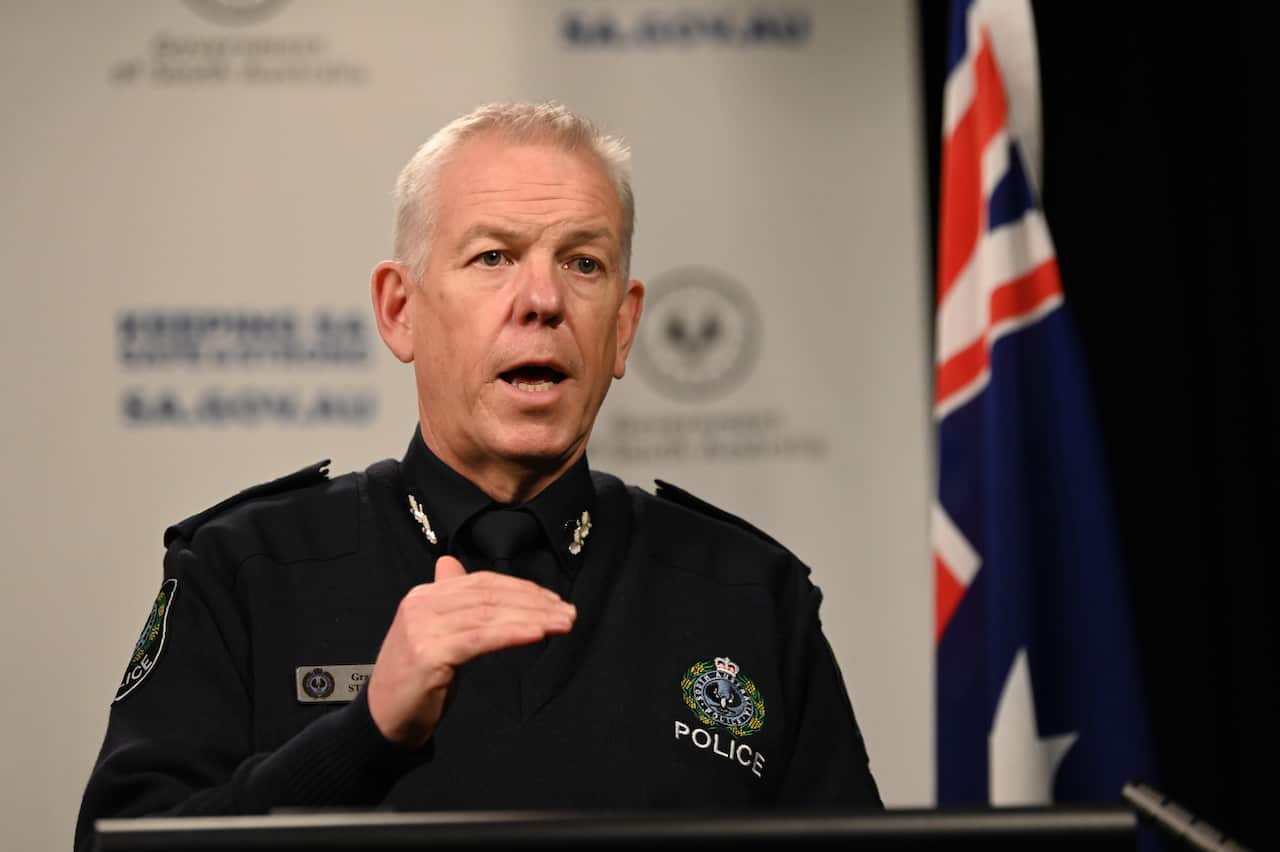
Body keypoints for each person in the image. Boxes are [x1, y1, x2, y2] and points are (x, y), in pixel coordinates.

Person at [74, 102, 881, 850]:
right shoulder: (245, 570)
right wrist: (363, 738)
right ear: (400, 311)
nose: (543, 299)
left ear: (625, 328)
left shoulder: (749, 593)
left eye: (584, 264)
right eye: (493, 256)